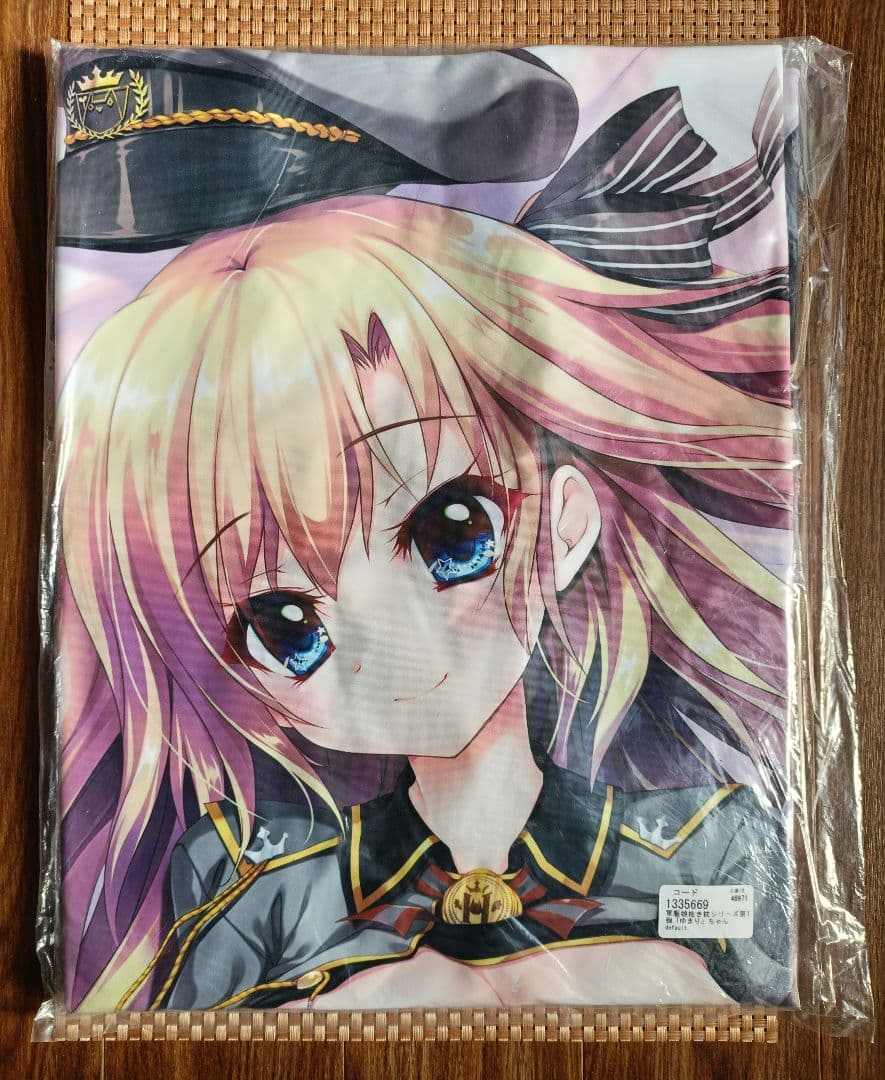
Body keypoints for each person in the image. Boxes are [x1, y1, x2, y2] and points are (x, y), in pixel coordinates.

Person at [56, 184, 794, 1011]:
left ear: (563, 523)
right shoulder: (256, 888)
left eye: (452, 532)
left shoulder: (702, 849)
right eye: (287, 625)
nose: (386, 639)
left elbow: (792, 1034)